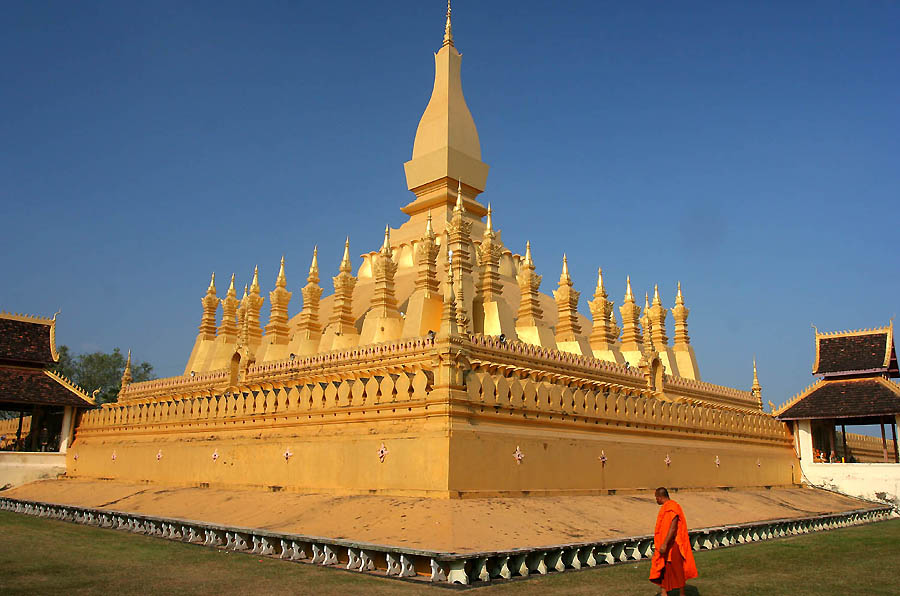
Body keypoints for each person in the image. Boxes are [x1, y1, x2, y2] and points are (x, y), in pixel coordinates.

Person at [649, 487, 697, 596]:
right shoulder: (666, 507)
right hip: (665, 543)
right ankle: (664, 592)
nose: (656, 500)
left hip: (674, 544)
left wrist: (665, 543)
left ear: (660, 497)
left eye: (656, 497)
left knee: (677, 569)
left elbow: (673, 527)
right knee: (664, 567)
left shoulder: (672, 507)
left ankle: (682, 593)